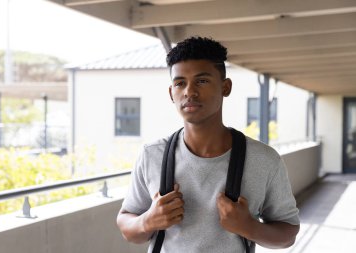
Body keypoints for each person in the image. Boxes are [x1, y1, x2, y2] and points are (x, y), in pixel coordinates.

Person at [116, 36, 300, 252]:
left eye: (202, 81)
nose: (189, 92)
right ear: (171, 93)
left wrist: (250, 227)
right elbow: (126, 223)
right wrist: (148, 221)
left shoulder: (264, 159)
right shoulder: (152, 155)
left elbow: (288, 234)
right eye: (180, 83)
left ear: (226, 87)